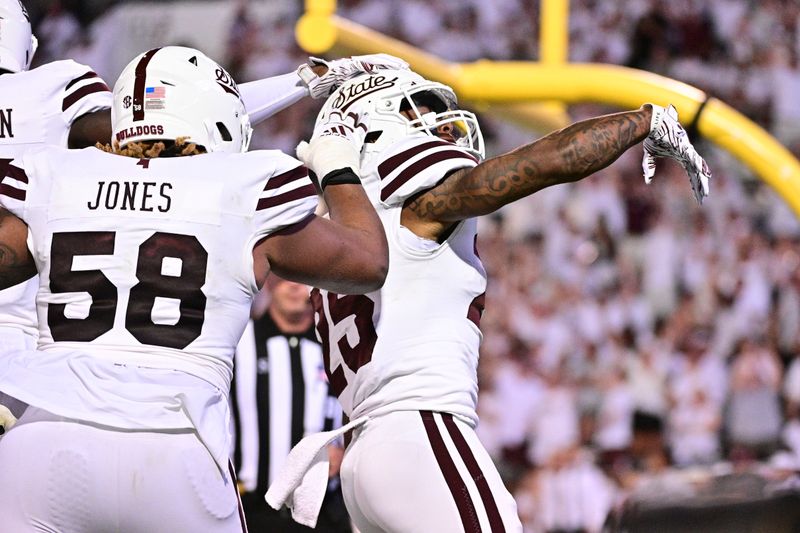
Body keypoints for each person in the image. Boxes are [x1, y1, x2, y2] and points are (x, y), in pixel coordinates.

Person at [268, 68, 711, 532]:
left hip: (366, 455)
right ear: (373, 129)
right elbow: (548, 161)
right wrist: (645, 121)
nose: (443, 126)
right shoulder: (418, 208)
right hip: (420, 435)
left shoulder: (333, 237)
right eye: (422, 114)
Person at [0, 45, 387, 532]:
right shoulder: (240, 185)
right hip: (174, 444)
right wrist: (338, 168)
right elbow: (367, 262)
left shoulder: (58, 176)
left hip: (43, 441)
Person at [232, 275, 351, 532]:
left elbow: (360, 409)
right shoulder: (238, 342)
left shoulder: (337, 347)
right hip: (251, 510)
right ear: (269, 280)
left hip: (323, 511)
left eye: (305, 276)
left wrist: (347, 450)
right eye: (285, 276)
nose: (295, 285)